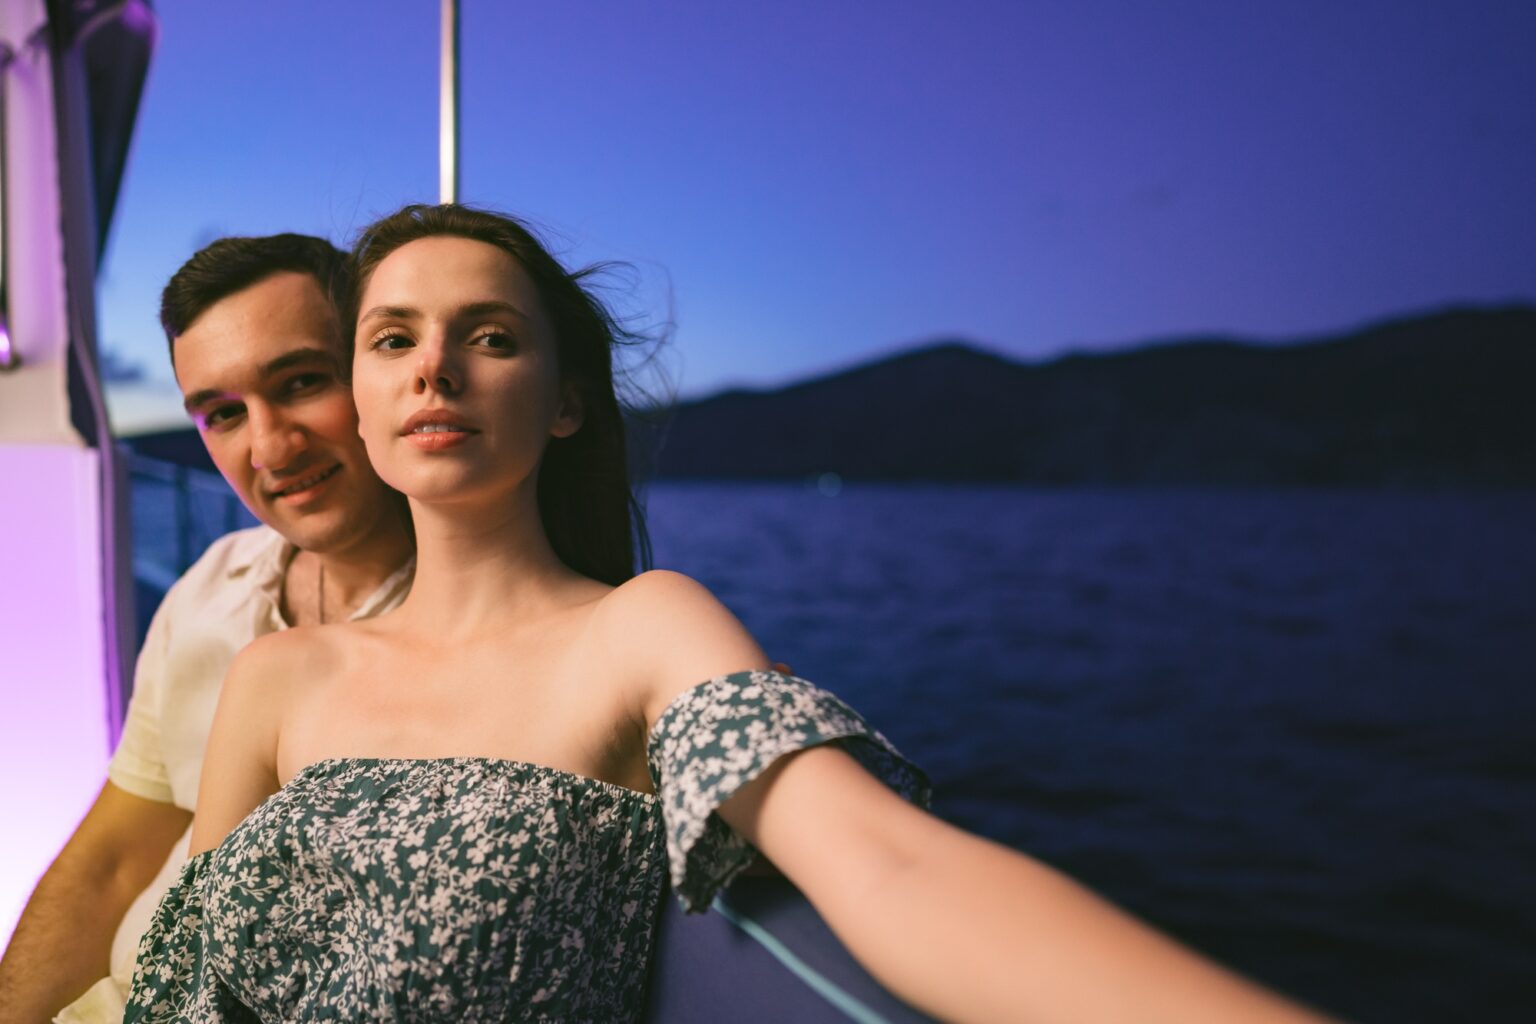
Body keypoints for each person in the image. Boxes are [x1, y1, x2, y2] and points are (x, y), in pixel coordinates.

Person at [126, 204, 1336, 1023]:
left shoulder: (641, 631)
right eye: (394, 339)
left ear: (563, 404)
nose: (435, 365)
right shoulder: (277, 679)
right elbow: (187, 989)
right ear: (368, 394)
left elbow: (887, 862)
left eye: (489, 337)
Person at [0, 235, 415, 1024]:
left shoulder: (481, 634)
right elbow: (110, 862)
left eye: (301, 382)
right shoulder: (214, 584)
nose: (269, 448)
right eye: (223, 414)